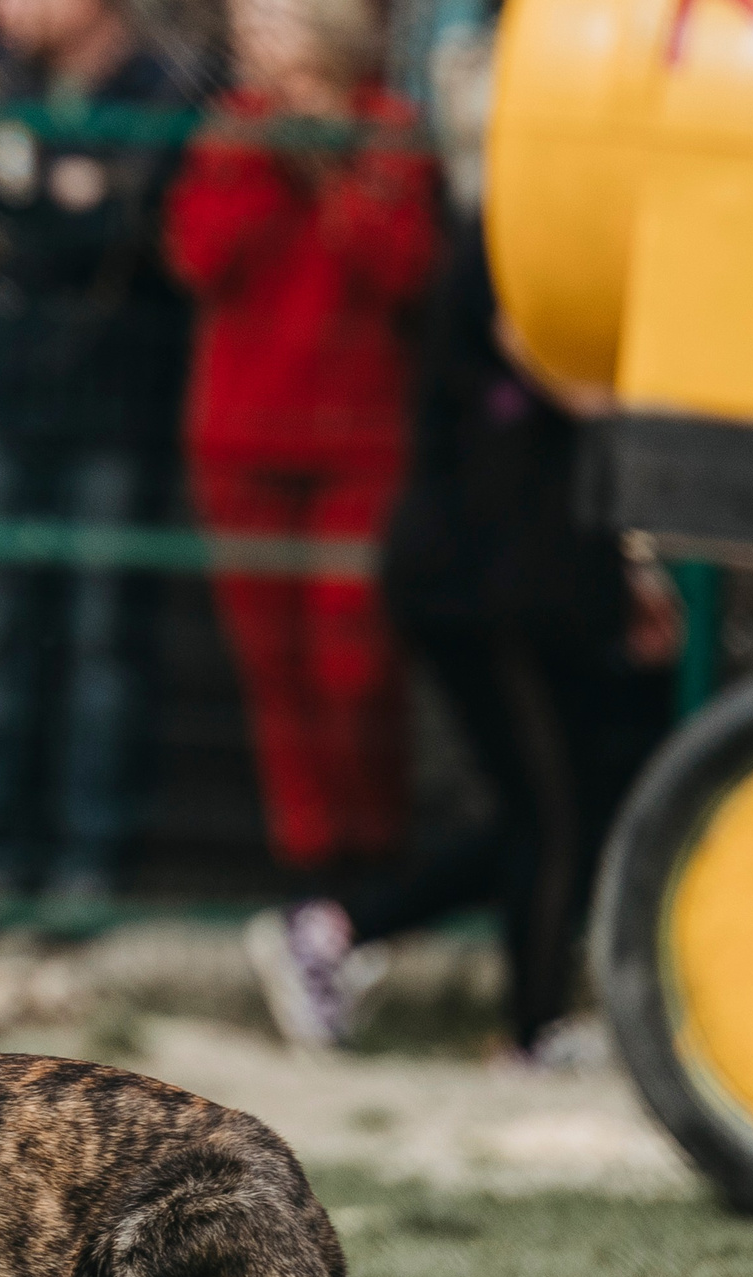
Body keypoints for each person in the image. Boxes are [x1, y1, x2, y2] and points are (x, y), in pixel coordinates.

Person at [246, 214, 680, 1056]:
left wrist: (632, 572)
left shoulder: (561, 237)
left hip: (534, 583)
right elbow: (560, 373)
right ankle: (531, 1032)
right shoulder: (509, 238)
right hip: (474, 585)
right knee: (549, 818)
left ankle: (337, 930)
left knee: (549, 814)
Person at [166, 0, 437, 876]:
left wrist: (329, 167)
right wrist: (260, 156)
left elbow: (400, 268)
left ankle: (376, 856)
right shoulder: (232, 133)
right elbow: (201, 255)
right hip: (242, 442)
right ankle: (311, 868)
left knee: (354, 661)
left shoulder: (388, 132)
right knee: (274, 670)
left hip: (359, 444)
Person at [0, 0, 209, 899]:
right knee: (11, 632)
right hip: (13, 399)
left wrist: (55, 204)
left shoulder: (160, 91)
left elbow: (138, 226)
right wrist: (69, 198)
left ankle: (92, 866)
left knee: (106, 638)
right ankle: (3, 861)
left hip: (117, 402)